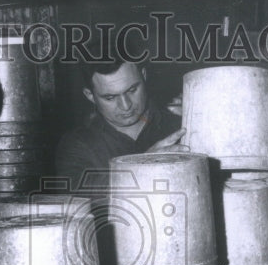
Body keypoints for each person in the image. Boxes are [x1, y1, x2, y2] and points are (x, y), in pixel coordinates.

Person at [54, 58, 184, 194]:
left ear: (144, 75)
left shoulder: (180, 125)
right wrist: (142, 167)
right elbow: (76, 198)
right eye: (110, 98)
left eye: (132, 90)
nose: (126, 105)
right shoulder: (77, 145)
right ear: (90, 95)